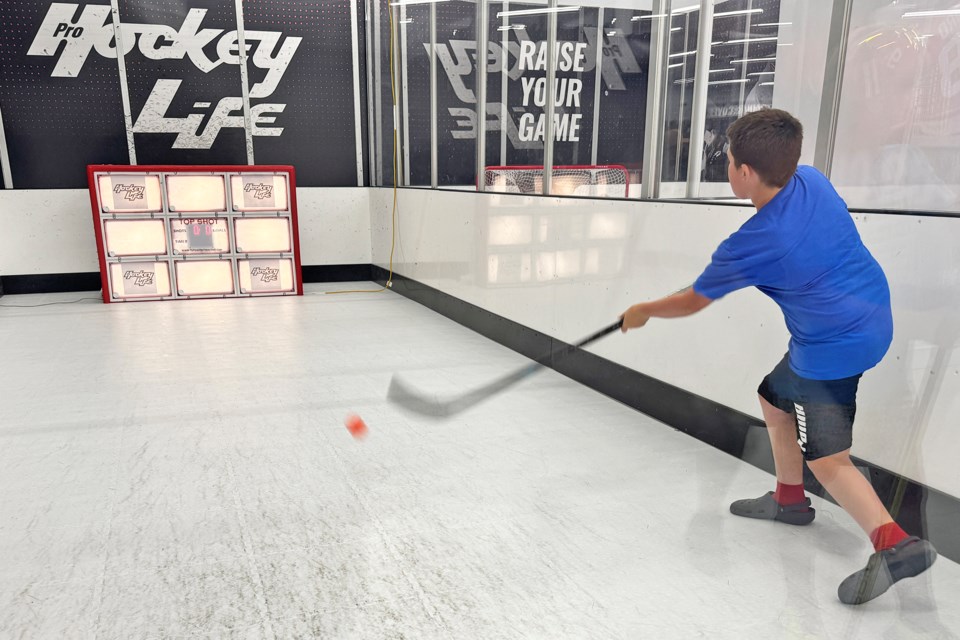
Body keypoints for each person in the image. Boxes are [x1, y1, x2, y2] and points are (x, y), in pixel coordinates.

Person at [619, 108, 937, 605]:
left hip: (832, 349)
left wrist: (643, 310)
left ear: (745, 173)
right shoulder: (811, 180)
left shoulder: (755, 242)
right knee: (773, 397)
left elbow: (692, 301)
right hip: (872, 315)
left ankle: (894, 545)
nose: (726, 168)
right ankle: (790, 500)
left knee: (829, 460)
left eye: (728, 161)